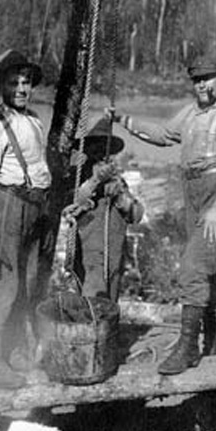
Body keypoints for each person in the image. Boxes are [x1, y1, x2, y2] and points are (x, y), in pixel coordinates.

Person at [111, 57, 216, 375]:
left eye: (208, 79)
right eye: (197, 80)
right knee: (213, 271)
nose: (202, 85)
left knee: (192, 268)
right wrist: (123, 120)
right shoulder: (192, 113)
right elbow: (162, 134)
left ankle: (188, 347)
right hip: (195, 193)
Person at [0, 48, 52, 388]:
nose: (21, 88)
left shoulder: (33, 120)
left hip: (34, 208)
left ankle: (12, 348)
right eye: (14, 82)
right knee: (1, 281)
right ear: (2, 86)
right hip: (9, 206)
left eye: (27, 82)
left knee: (28, 281)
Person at [64, 118, 144, 302]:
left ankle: (108, 330)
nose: (99, 151)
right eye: (95, 145)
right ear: (88, 148)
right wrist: (95, 181)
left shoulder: (117, 179)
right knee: (92, 293)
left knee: (111, 295)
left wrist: (121, 198)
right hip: (89, 248)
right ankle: (91, 328)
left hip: (115, 249)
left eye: (104, 146)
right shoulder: (78, 175)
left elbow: (137, 215)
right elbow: (73, 203)